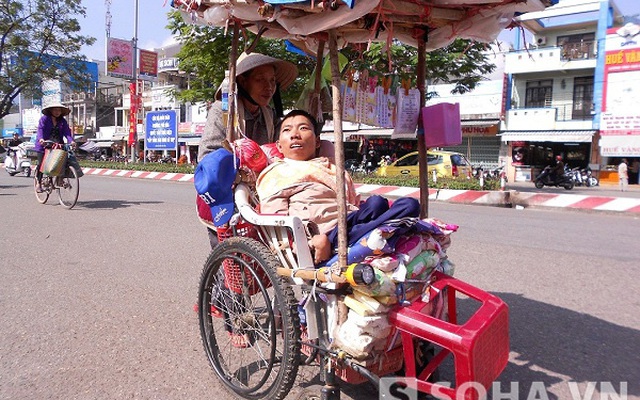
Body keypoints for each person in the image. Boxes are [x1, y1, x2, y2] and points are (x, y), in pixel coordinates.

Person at [256, 110, 420, 264]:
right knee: (405, 210)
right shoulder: (276, 174)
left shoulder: (330, 169)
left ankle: (377, 232)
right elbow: (277, 223)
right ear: (278, 146)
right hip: (323, 236)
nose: (295, 135)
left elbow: (353, 204)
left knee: (387, 203)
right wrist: (310, 242)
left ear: (317, 141)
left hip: (348, 223)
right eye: (287, 130)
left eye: (303, 128)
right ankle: (381, 231)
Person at [197, 51, 298, 249]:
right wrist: (240, 167)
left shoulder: (269, 115)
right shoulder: (222, 111)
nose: (269, 87)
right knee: (229, 264)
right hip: (224, 199)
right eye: (260, 79)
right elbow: (207, 157)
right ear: (243, 82)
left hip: (258, 200)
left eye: (272, 81)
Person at [34, 103, 75, 192]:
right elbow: (40, 129)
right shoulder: (44, 119)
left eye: (59, 110)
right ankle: (38, 183)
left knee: (64, 160)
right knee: (42, 164)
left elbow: (67, 132)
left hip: (57, 144)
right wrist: (41, 139)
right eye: (55, 110)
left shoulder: (62, 121)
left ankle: (60, 180)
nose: (57, 112)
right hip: (44, 144)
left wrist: (71, 141)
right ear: (51, 111)